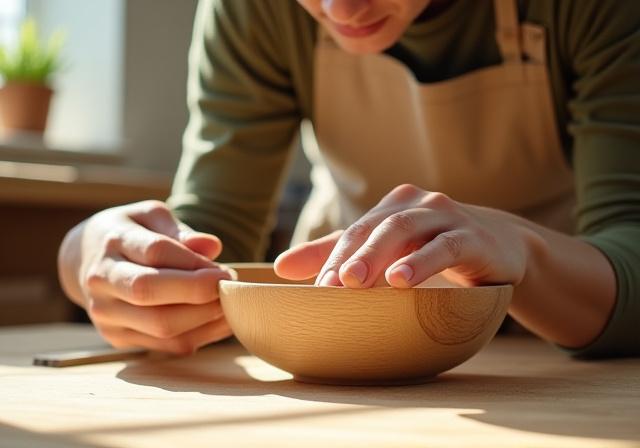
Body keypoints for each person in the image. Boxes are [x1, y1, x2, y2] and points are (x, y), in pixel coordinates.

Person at [58, 0, 640, 357]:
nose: (341, 9)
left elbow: (630, 248)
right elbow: (210, 241)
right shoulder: (253, 10)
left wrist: (527, 255)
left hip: (568, 347)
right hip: (343, 350)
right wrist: (87, 254)